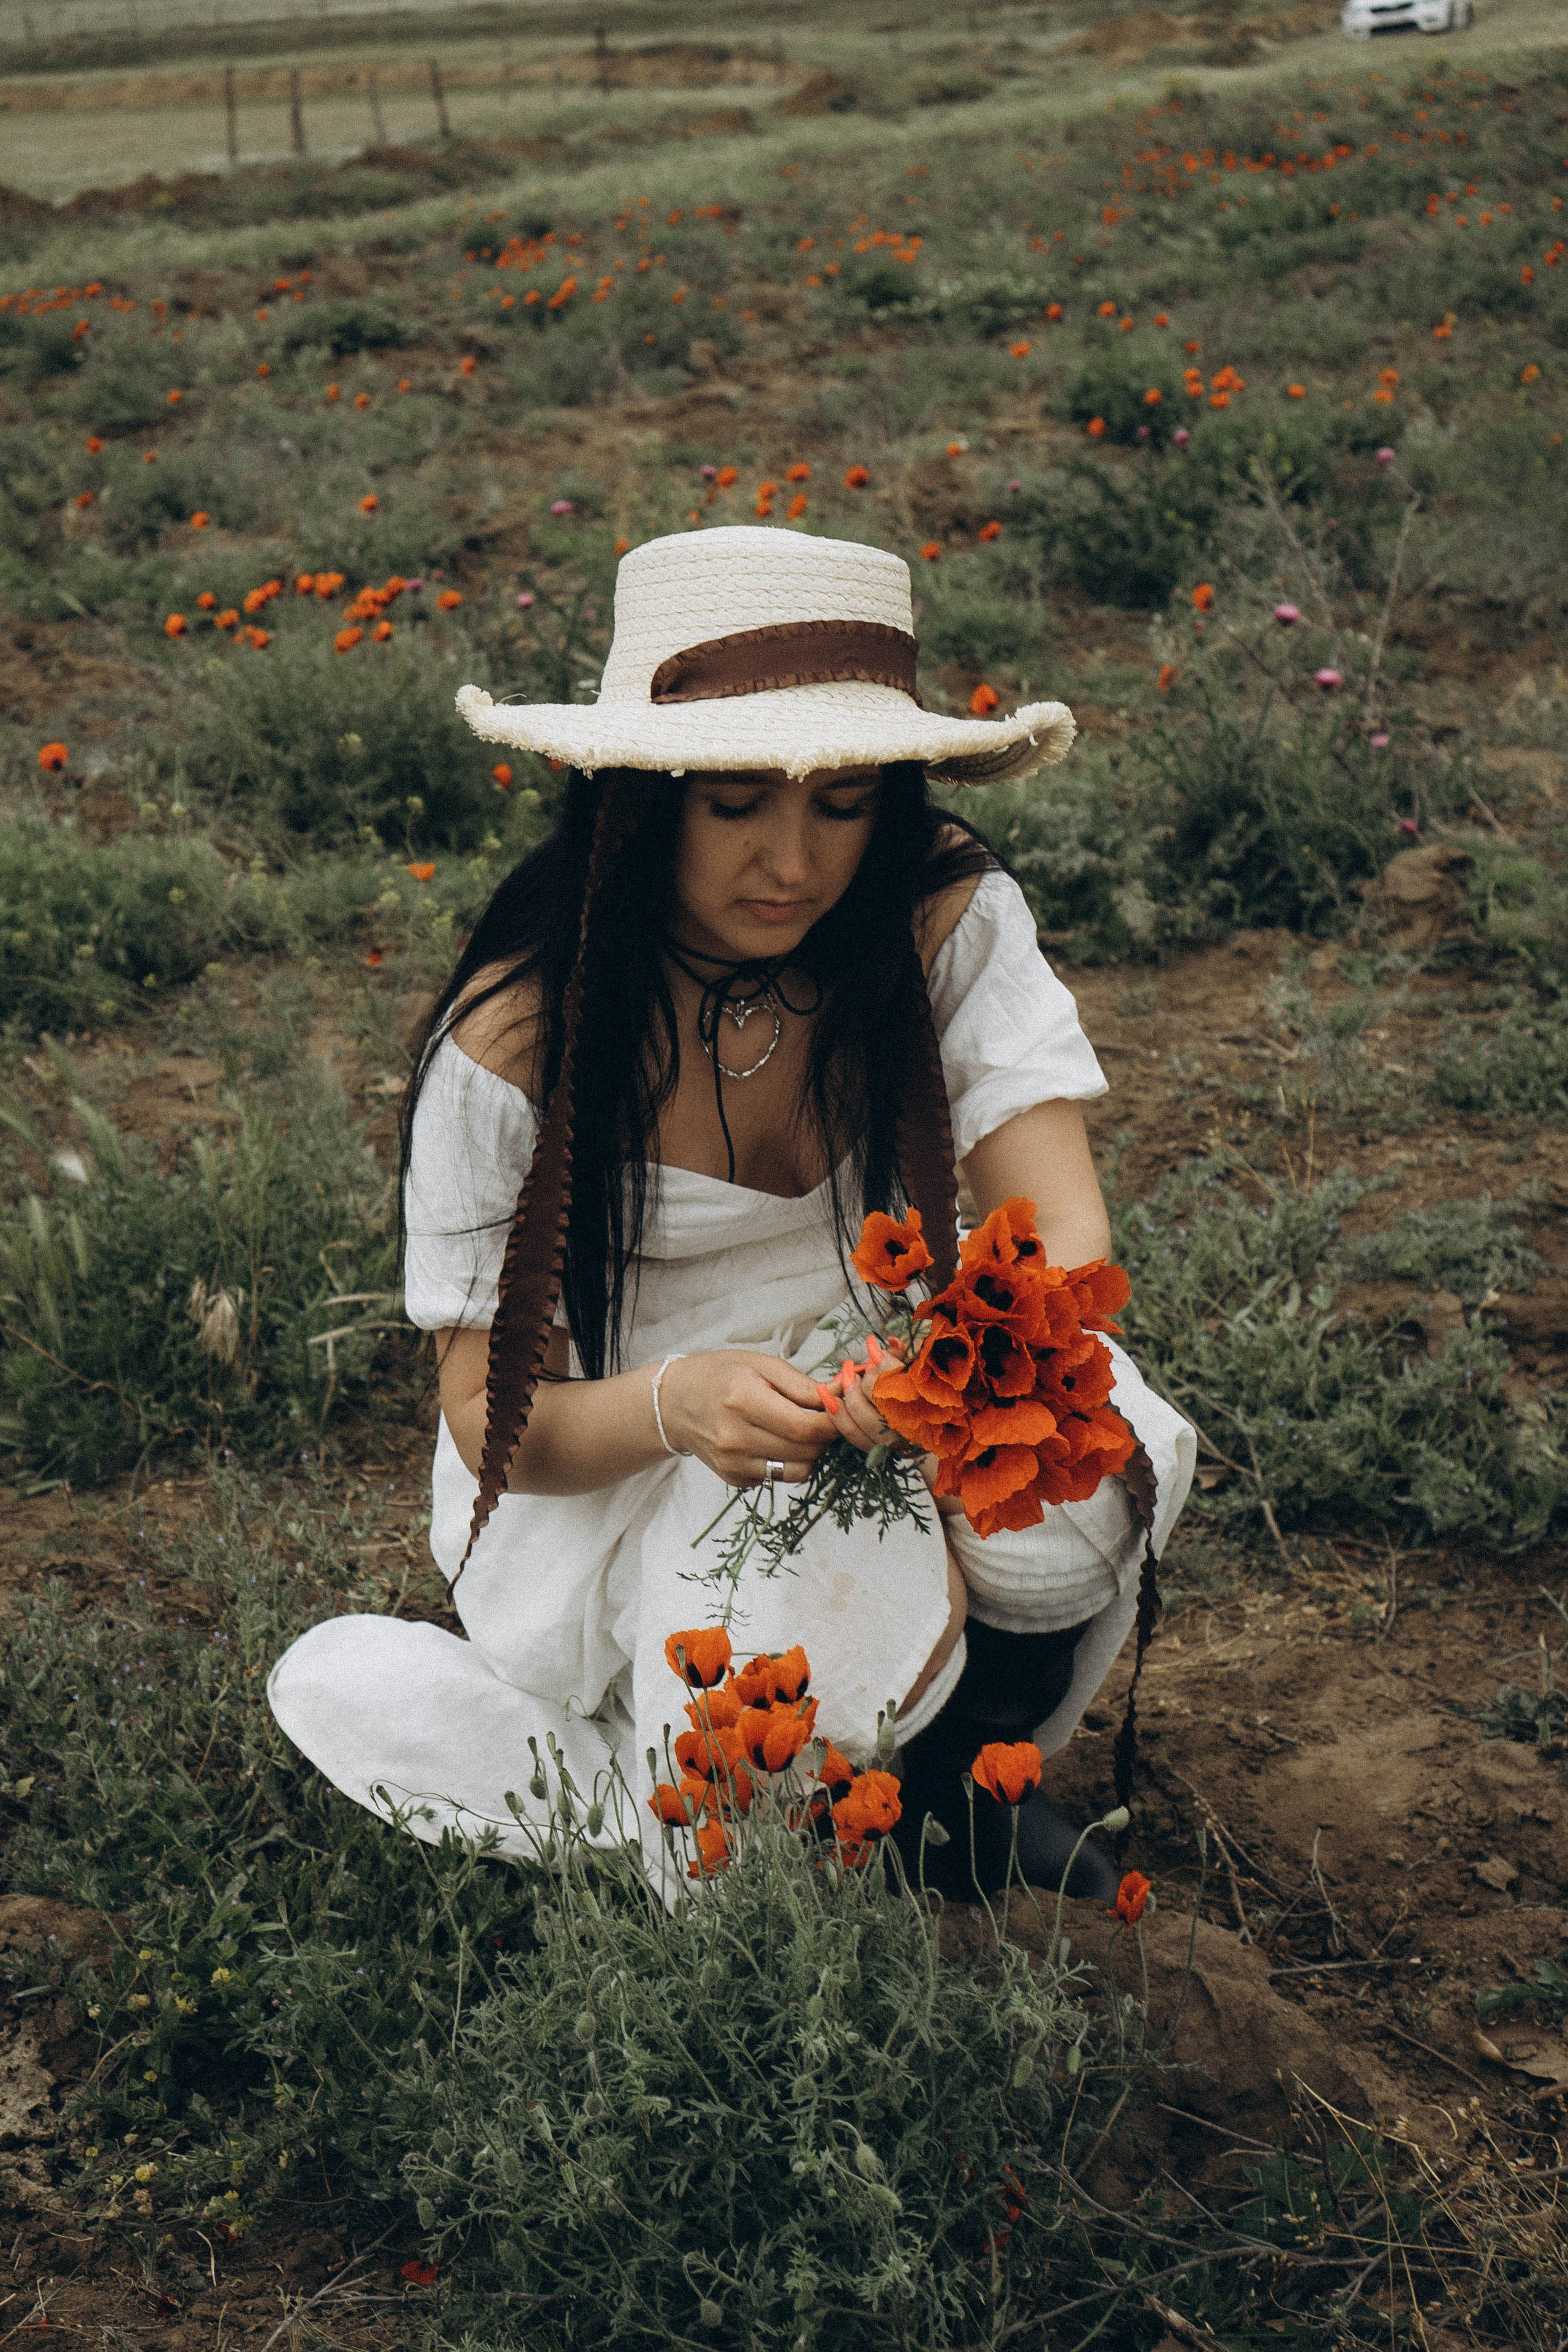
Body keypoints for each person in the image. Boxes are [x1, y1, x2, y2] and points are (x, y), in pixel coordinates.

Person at [268, 526, 1194, 1899]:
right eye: (735, 803)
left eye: (845, 804)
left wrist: (939, 1364)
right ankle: (680, 1778)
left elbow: (1062, 1233)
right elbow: (492, 1421)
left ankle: (963, 1788)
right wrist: (678, 1404)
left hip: (885, 1360)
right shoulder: (519, 1038)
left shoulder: (933, 917)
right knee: (750, 1781)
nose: (792, 862)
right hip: (635, 1446)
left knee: (1080, 1453)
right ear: (640, 802)